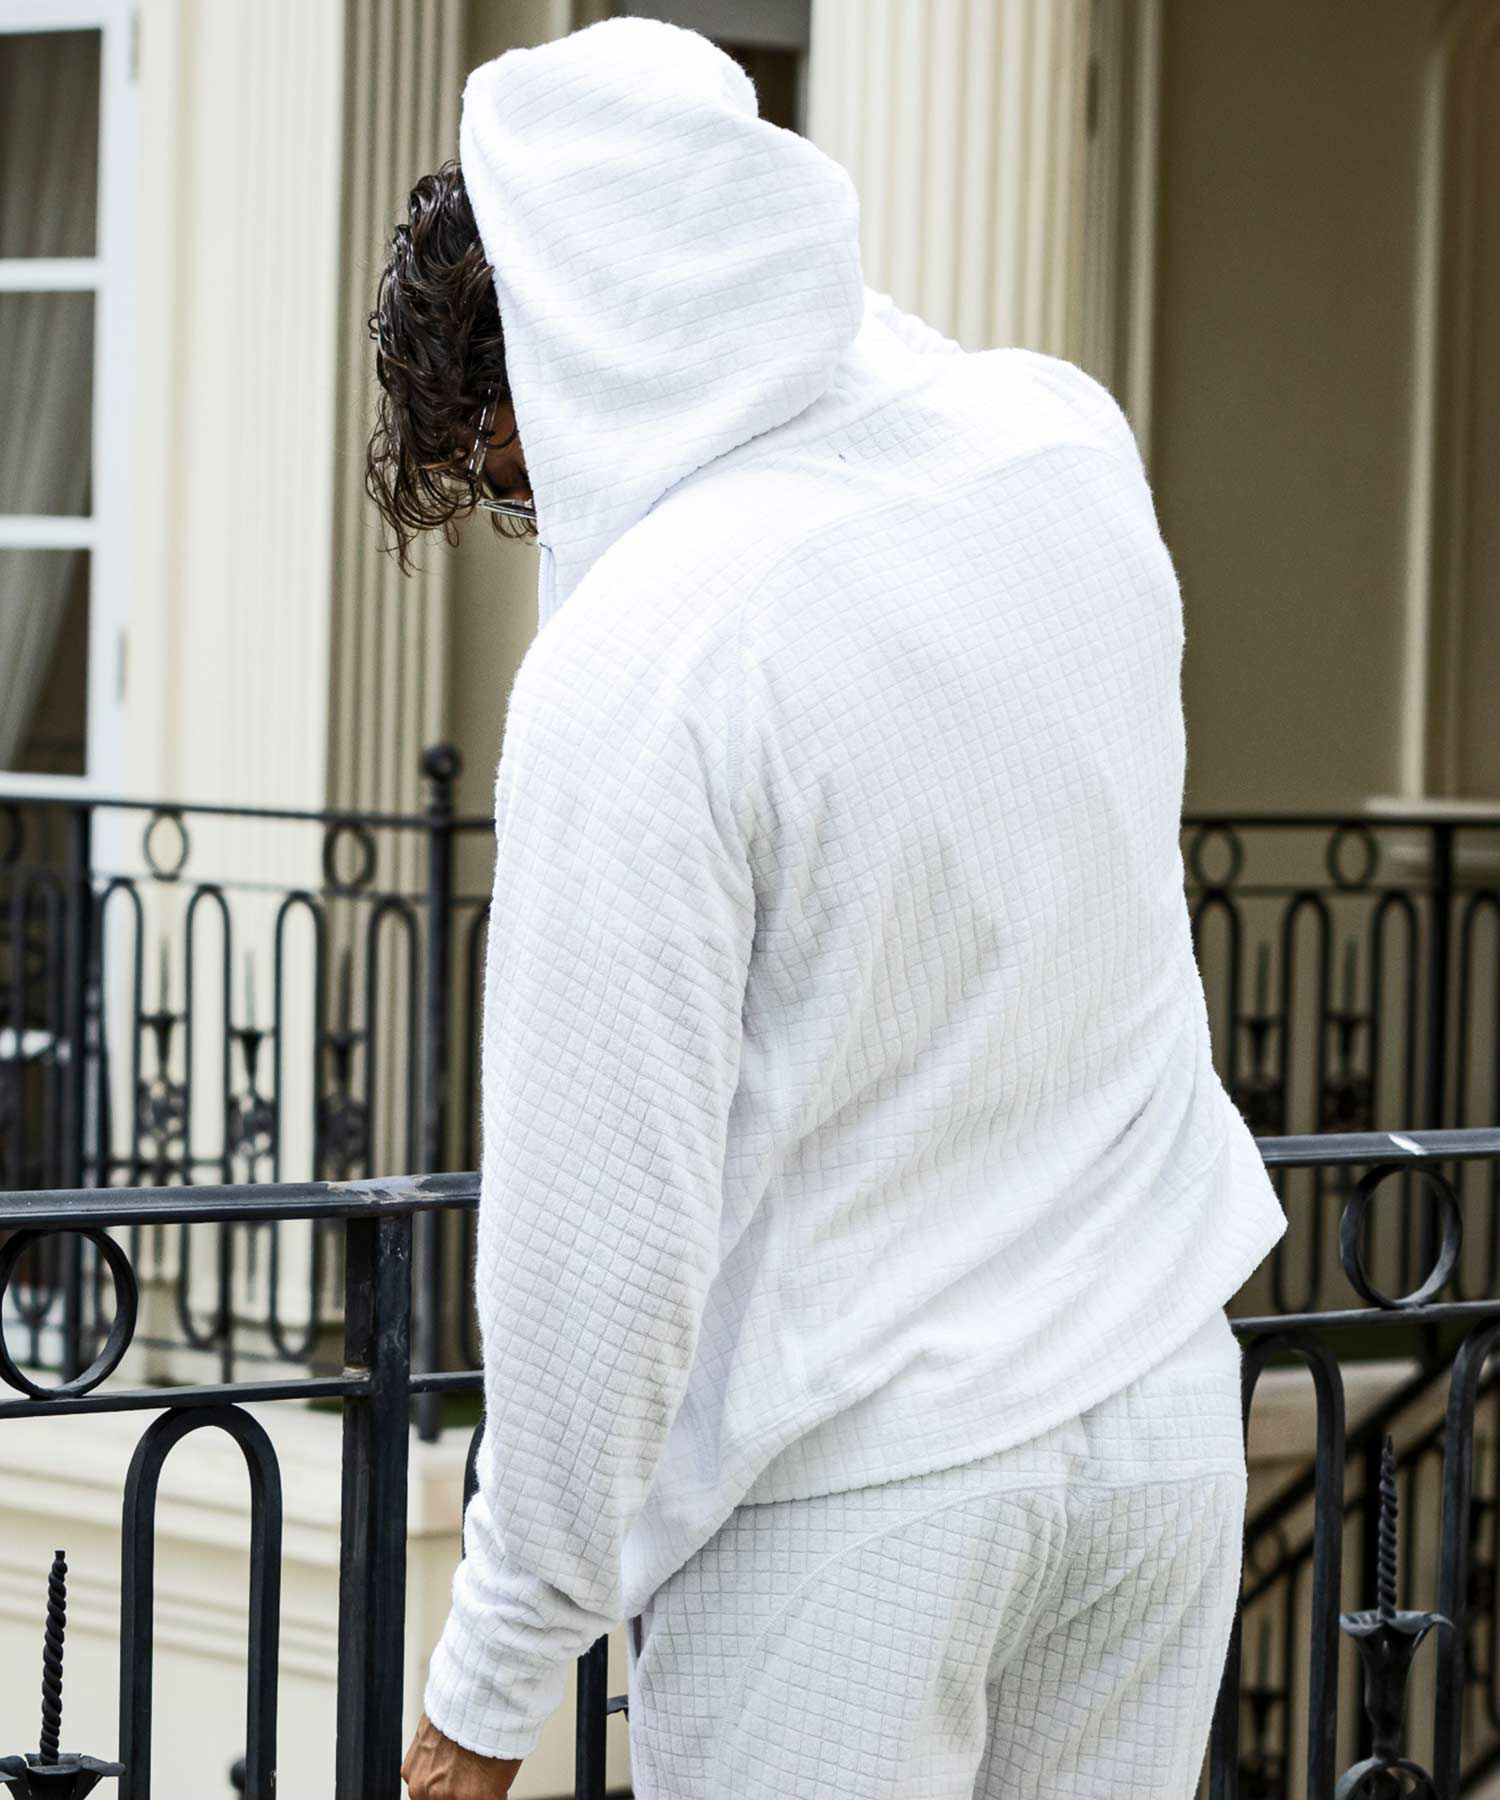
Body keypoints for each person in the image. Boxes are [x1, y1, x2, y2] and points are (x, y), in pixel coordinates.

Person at [366, 18, 1288, 1800]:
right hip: (1166, 1418)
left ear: (569, 362)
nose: (535, 506)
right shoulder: (1059, 434)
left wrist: (483, 1689)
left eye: (515, 465)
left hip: (852, 1513)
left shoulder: (646, 662)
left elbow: (601, 1251)